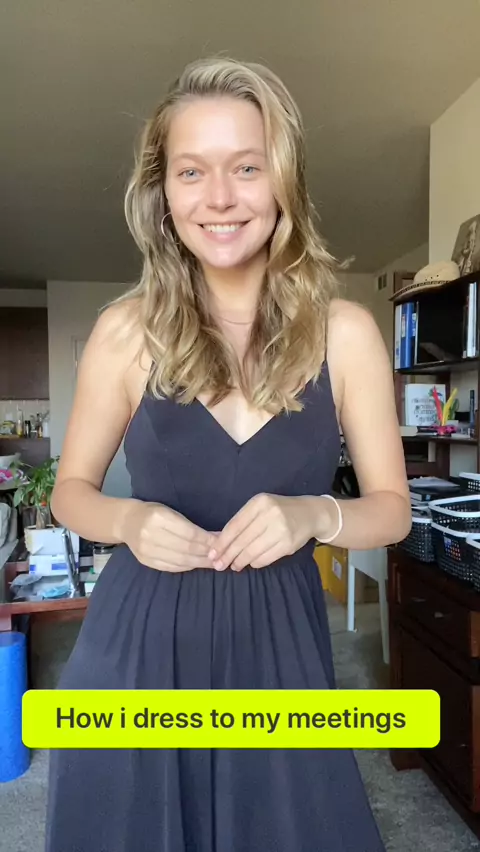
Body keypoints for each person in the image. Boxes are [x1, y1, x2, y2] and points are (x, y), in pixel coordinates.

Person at [44, 56, 411, 852]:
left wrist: (313, 515)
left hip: (281, 646)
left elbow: (392, 512)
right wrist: (130, 521)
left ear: (284, 180)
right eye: (191, 171)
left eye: (246, 167)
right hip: (137, 646)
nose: (219, 198)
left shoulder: (346, 334)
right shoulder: (123, 332)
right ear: (162, 192)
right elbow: (69, 492)